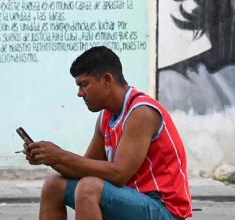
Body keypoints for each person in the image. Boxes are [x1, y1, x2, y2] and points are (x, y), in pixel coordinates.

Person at [26, 46, 192, 220]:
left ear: (106, 80)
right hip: (131, 200)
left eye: (84, 84)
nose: (80, 93)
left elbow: (119, 174)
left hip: (163, 209)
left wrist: (59, 156)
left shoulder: (141, 112)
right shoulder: (106, 116)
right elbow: (83, 167)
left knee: (89, 188)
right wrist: (48, 158)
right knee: (53, 185)